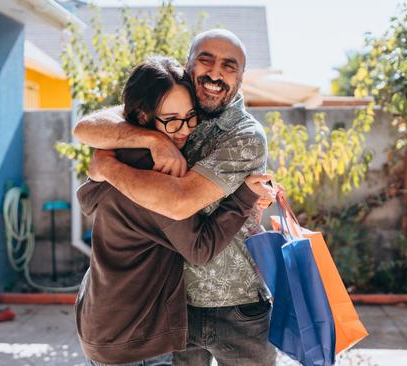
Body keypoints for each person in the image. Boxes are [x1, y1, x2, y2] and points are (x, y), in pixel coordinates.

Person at [75, 29, 278, 365]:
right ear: (188, 66)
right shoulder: (168, 109)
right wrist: (153, 142)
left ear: (242, 77)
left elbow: (179, 202)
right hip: (172, 308)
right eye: (206, 60)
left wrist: (106, 164)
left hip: (234, 303)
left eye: (229, 66)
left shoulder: (242, 133)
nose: (215, 73)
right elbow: (84, 129)